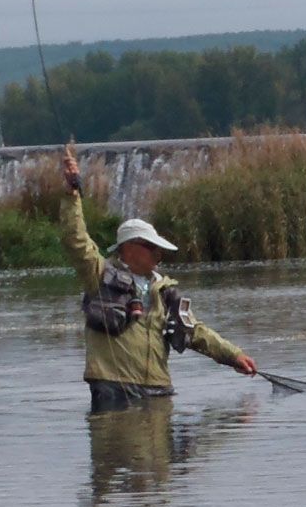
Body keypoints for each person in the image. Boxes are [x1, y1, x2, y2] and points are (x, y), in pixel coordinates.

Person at [60, 147, 257, 412]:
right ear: (130, 248)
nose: (159, 254)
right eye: (152, 247)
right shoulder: (99, 275)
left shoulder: (164, 291)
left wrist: (234, 355)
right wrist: (72, 193)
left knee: (161, 455)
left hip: (158, 391)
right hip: (113, 390)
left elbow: (196, 332)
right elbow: (76, 240)